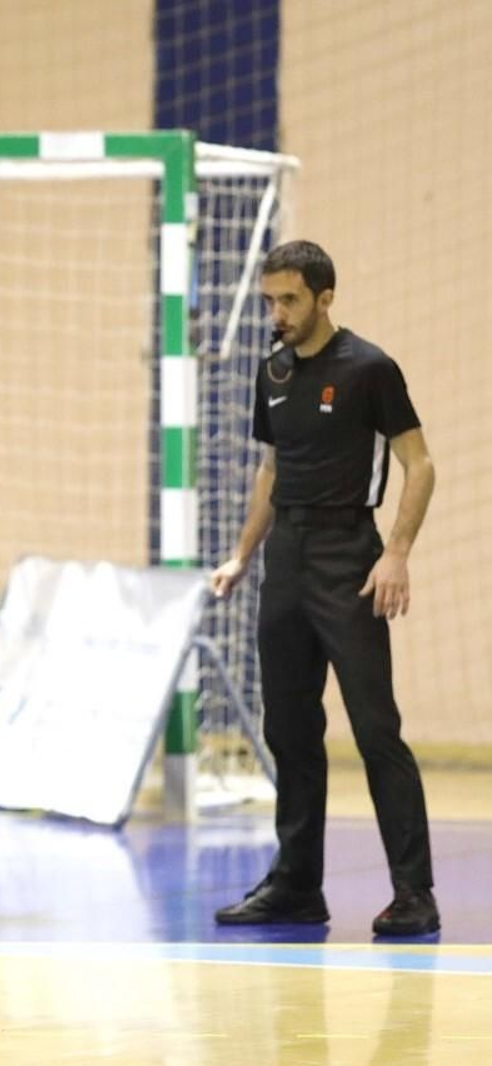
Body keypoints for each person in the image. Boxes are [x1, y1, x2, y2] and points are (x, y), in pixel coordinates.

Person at [210, 240, 439, 937]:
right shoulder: (272, 370)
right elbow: (272, 473)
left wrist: (395, 553)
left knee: (376, 730)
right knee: (289, 729)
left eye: (290, 300)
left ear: (324, 297)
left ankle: (414, 893)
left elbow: (420, 465)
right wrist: (242, 555)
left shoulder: (370, 368)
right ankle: (296, 885)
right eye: (270, 300)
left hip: (350, 557)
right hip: (287, 560)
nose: (277, 313)